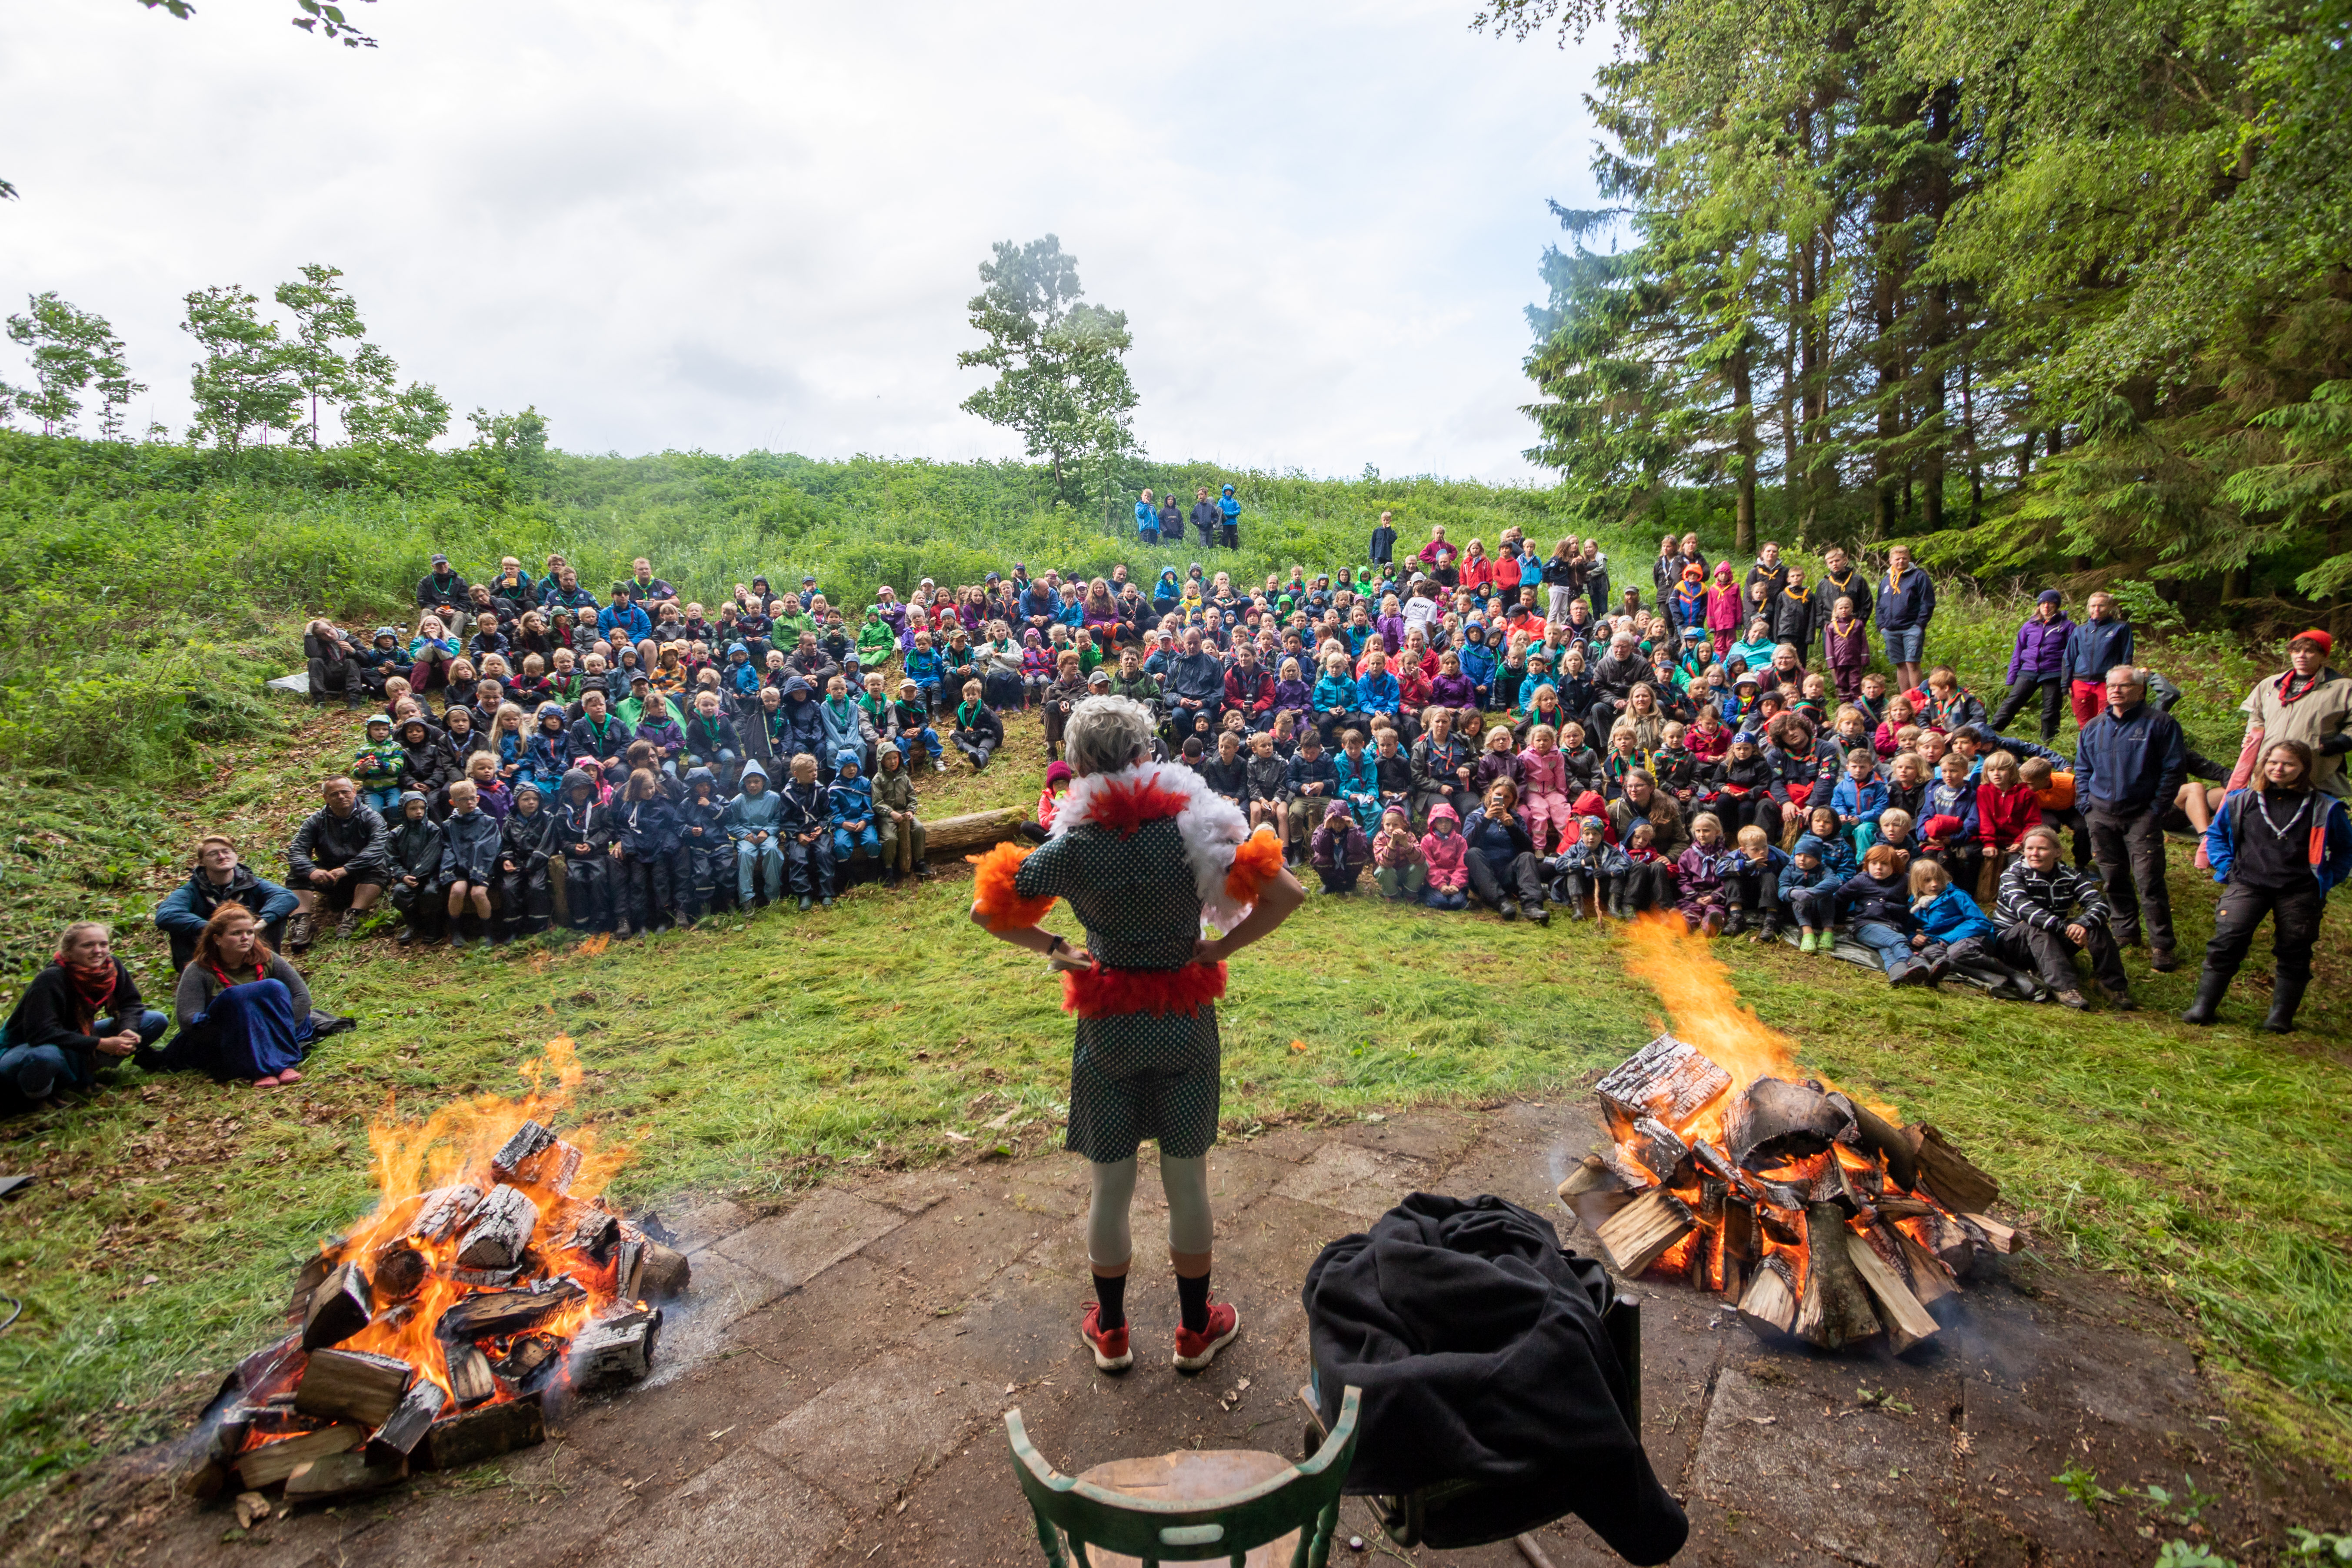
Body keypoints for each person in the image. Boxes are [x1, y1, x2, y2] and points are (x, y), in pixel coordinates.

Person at [967, 695, 1299, 1373]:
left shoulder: (1073, 844)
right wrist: (1220, 948)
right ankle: (1195, 1329)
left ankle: (1113, 1331)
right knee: (1187, 1180)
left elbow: (986, 910)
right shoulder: (1193, 828)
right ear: (1146, 753)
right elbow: (1287, 894)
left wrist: (1057, 947)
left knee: (1110, 1184)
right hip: (1183, 1016)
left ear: (1080, 766)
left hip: (1108, 1022)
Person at [2182, 739, 2352, 1033]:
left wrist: (2326, 879)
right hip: (2247, 883)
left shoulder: (2326, 807)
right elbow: (2217, 835)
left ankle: (2280, 1018)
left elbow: (2345, 849)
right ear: (2264, 764)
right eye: (2273, 762)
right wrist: (2227, 868)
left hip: (2300, 890)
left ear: (2303, 768)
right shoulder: (2242, 800)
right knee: (2226, 942)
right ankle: (2203, 1008)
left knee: (2295, 949)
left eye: (2288, 764)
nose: (2279, 769)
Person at [2076, 665, 2188, 971]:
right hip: (2100, 814)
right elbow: (2083, 768)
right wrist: (2085, 804)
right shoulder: (2094, 727)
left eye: (2124, 685)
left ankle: (2162, 945)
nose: (2116, 690)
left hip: (2142, 815)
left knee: (2149, 881)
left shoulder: (2160, 724)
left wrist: (2156, 809)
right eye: (2112, 685)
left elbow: (2174, 769)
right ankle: (2125, 930)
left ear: (2140, 690)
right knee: (2112, 877)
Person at [2, 922, 167, 1112]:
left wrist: (127, 1029)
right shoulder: (51, 978)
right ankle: (39, 1096)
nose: (98, 951)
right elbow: (41, 1033)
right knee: (45, 1056)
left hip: (76, 1035)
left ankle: (82, 1072)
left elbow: (130, 1004)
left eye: (103, 944)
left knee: (154, 1020)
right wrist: (100, 1044)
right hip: (24, 1047)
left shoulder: (110, 968)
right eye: (88, 945)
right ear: (69, 952)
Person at [152, 906, 316, 1087]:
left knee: (274, 988)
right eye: (236, 933)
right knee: (235, 997)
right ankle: (258, 1070)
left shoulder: (268, 959)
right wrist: (235, 1036)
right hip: (226, 1037)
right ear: (217, 939)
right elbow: (188, 1020)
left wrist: (277, 1029)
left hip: (276, 1029)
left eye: (250, 932)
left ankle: (282, 1065)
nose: (245, 938)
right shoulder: (198, 970)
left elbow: (302, 997)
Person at [1993, 826, 2132, 1010]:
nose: (2034, 854)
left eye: (2042, 849)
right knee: (2035, 926)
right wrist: (2066, 929)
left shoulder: (2070, 875)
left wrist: (2082, 924)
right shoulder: (2012, 875)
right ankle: (2065, 988)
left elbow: (2099, 904)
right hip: (2012, 943)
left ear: (2058, 852)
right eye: (2029, 848)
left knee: (2095, 924)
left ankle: (2112, 985)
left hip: (2054, 937)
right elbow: (2025, 909)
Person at [2227, 629, 2352, 802]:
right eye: (2296, 651)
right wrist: (2253, 736)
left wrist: (2335, 745)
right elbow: (2257, 716)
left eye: (2309, 651)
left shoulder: (2343, 687)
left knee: (2311, 814)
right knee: (2264, 811)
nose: (2301, 656)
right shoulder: (2270, 685)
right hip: (2269, 766)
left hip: (2317, 767)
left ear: (2323, 655)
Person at [154, 836, 299, 971]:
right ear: (201, 862)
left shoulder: (253, 883)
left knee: (276, 914)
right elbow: (166, 914)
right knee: (178, 924)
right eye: (213, 854)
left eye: (226, 852)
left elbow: (287, 897)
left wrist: (259, 924)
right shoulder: (191, 891)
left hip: (249, 946)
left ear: (236, 856)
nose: (222, 857)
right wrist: (214, 929)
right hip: (207, 952)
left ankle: (266, 965)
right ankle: (195, 974)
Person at [284, 778, 389, 949]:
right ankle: (302, 920)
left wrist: (348, 869)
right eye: (334, 794)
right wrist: (311, 871)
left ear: (354, 792)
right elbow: (297, 851)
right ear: (326, 798)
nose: (341, 797)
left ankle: (354, 914)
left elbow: (378, 849)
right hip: (328, 874)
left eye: (345, 792)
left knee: (378, 869)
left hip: (359, 873)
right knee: (297, 874)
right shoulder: (316, 821)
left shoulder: (372, 817)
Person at [1460, 779, 1551, 924]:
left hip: (1507, 874)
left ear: (1513, 800)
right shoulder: (1475, 816)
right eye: (1498, 794)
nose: (1502, 799)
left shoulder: (1516, 818)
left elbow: (1527, 848)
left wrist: (1512, 827)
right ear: (1491, 793)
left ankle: (1532, 907)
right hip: (1484, 877)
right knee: (1473, 853)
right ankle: (1501, 903)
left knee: (1527, 857)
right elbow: (1466, 845)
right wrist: (1486, 820)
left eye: (1507, 797)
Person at [1989, 591, 2074, 744]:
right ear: (2039, 606)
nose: (2046, 607)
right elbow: (2018, 651)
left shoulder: (2067, 626)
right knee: (2013, 701)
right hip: (2029, 669)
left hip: (2053, 671)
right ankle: (1991, 733)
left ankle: (2048, 742)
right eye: (2043, 604)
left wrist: (2068, 679)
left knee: (2051, 708)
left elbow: (2072, 654)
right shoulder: (2029, 625)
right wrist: (2012, 677)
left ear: (2056, 606)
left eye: (2050, 604)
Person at [2062, 592, 2134, 730]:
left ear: (2110, 607)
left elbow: (2127, 657)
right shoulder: (2079, 631)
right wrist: (2065, 684)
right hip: (2080, 682)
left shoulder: (2121, 628)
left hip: (2108, 683)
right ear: (2088, 607)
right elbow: (2069, 658)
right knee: (2084, 725)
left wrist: (2124, 681)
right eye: (2093, 606)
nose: (2097, 609)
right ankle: (2086, 744)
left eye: (2101, 606)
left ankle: (2106, 744)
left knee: (2107, 722)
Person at [1874, 544, 1934, 693]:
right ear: (1890, 561)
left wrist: (1920, 624)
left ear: (1909, 559)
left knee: (1912, 663)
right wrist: (1882, 626)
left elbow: (1928, 603)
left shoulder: (1919, 577)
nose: (1901, 561)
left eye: (1904, 558)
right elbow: (1879, 605)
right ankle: (1905, 698)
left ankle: (1917, 697)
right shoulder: (1886, 581)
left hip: (1912, 628)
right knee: (1900, 664)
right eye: (1897, 559)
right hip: (1890, 629)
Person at [872, 742, 927, 887]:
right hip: (887, 817)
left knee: (919, 829)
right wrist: (891, 813)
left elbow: (912, 797)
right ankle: (888, 869)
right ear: (882, 761)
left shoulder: (904, 777)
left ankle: (919, 861)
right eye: (889, 759)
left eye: (895, 758)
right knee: (890, 838)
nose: (893, 762)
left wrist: (911, 810)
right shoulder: (878, 780)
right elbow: (877, 803)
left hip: (905, 814)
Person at [1217, 483, 1241, 549]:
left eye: (1229, 491)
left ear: (1232, 492)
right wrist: (1231, 514)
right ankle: (1224, 551)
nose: (1228, 492)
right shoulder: (1221, 501)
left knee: (1234, 538)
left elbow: (1238, 510)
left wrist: (1231, 514)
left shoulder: (1234, 502)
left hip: (1233, 523)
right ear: (1224, 492)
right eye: (1227, 491)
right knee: (1225, 538)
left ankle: (1234, 551)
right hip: (1225, 523)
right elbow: (1220, 510)